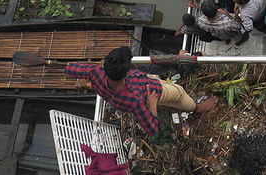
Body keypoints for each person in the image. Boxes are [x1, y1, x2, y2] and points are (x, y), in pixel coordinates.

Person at [65, 46, 214, 136]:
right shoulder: (134, 99)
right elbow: (152, 129)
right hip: (154, 92)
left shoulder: (95, 73)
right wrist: (152, 104)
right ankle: (197, 108)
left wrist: (54, 63)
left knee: (164, 88)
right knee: (179, 93)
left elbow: (70, 68)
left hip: (145, 80)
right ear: (125, 73)